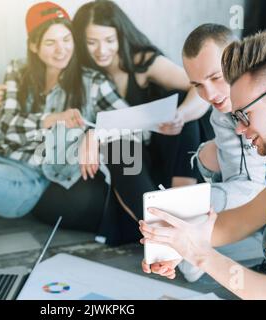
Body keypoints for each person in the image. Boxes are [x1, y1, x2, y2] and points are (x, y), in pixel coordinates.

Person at [140, 32, 266, 299]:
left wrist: (200, 255)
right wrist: (182, 242)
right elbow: (243, 218)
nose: (240, 130)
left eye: (244, 115)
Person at [0, 2, 130, 237]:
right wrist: (52, 119)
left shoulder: (93, 82)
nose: (61, 50)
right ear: (34, 46)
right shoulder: (18, 69)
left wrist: (94, 134)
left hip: (27, 178)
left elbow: (136, 124)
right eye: (51, 42)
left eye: (67, 40)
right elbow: (7, 127)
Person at [70, 0, 210, 244]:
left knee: (180, 106)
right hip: (129, 159)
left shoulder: (142, 62)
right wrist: (93, 134)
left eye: (109, 41)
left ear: (121, 36)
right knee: (120, 146)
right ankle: (166, 234)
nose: (101, 50)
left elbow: (201, 90)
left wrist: (183, 114)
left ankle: (181, 218)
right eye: (92, 42)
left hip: (168, 149)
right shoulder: (83, 74)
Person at [177, 24, 266, 282]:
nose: (210, 95)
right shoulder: (221, 115)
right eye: (198, 85)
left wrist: (192, 210)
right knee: (207, 156)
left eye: (216, 77)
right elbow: (246, 183)